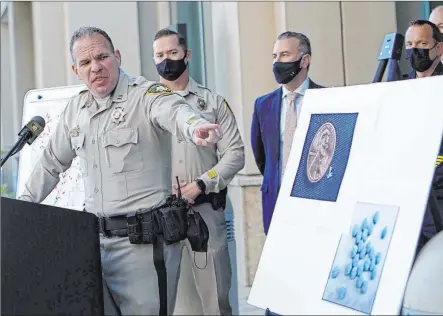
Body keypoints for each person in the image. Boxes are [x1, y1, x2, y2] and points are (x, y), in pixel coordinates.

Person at [17, 26, 223, 316]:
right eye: (86, 63)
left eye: (102, 57)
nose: (96, 68)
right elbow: (51, 163)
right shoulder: (76, 109)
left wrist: (195, 127)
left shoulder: (146, 95)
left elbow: (174, 111)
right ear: (76, 70)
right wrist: (20, 211)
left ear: (117, 56)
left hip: (143, 248)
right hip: (93, 246)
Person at [152, 28, 245, 315]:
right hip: (161, 217)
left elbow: (236, 154)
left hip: (205, 212)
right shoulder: (146, 103)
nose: (166, 60)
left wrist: (203, 184)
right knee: (172, 302)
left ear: (187, 55)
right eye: (159, 55)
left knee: (215, 298)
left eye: (172, 53)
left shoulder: (212, 102)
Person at [250, 31, 324, 234]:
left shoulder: (327, 99)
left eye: (284, 55)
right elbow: (262, 156)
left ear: (304, 60)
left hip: (316, 204)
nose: (277, 62)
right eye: (275, 56)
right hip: (277, 201)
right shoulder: (263, 105)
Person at [405, 20, 443, 252]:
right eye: (410, 44)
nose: (415, 50)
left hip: (442, 194)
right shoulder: (398, 88)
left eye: (422, 43)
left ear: (439, 49)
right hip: (407, 196)